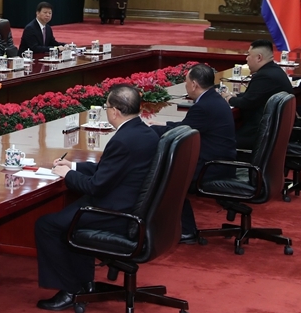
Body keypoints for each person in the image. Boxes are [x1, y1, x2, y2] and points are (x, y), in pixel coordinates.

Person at [34, 85, 159, 311]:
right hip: (133, 205)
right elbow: (110, 170)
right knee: (69, 216)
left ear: (115, 111)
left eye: (107, 107)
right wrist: (73, 166)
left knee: (47, 225)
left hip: (116, 211)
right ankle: (86, 283)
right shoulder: (145, 133)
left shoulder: (123, 140)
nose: (107, 111)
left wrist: (67, 175)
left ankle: (71, 289)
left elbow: (96, 186)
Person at [150, 64, 236, 243]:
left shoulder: (204, 106)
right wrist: (163, 125)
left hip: (212, 167)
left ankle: (187, 230)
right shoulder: (213, 99)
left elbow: (182, 132)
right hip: (221, 160)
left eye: (186, 82)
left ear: (194, 84)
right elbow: (188, 126)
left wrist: (150, 129)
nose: (185, 85)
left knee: (168, 178)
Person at [220, 39, 293, 150]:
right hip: (274, 131)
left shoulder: (265, 76)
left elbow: (246, 103)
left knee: (217, 140)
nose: (246, 58)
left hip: (260, 135)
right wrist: (236, 95)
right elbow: (255, 95)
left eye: (249, 55)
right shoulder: (274, 70)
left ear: (259, 57)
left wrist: (228, 98)